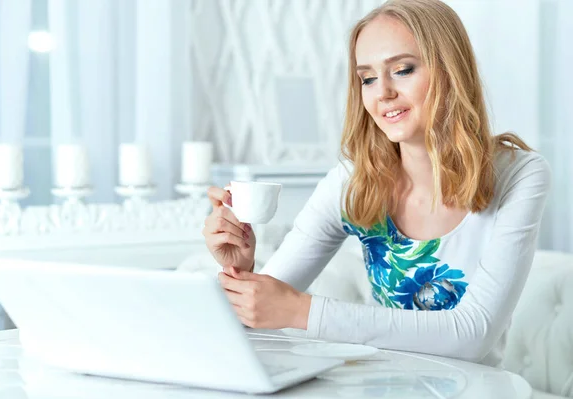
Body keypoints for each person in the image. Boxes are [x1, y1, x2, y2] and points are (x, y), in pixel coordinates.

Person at [202, 0, 551, 366]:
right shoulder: (353, 181)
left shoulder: (519, 175)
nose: (382, 92)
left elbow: (473, 335)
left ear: (451, 70)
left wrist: (300, 311)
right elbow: (256, 315)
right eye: (367, 78)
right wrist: (240, 268)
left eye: (402, 70)